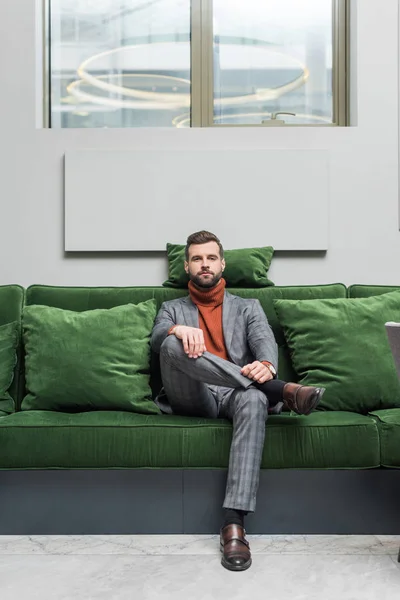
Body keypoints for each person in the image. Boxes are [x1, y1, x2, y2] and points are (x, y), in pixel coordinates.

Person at [151, 231, 324, 572]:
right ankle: (284, 391)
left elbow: (264, 347)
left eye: (211, 258)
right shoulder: (171, 308)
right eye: (197, 258)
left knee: (255, 400)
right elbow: (158, 339)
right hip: (192, 393)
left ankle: (234, 524)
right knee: (172, 346)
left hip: (236, 396)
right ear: (187, 266)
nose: (204, 264)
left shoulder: (249, 307)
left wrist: (267, 367)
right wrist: (175, 331)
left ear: (222, 263)